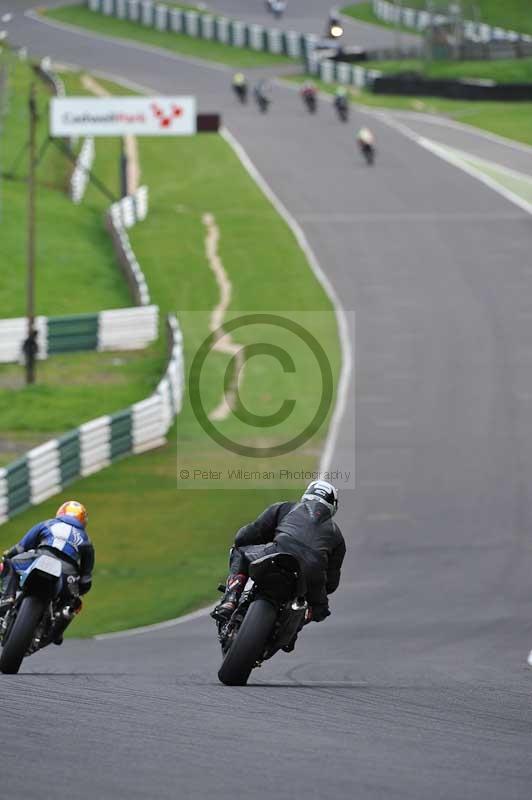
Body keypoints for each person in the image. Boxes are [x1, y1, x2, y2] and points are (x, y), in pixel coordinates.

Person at [212, 480, 346, 624]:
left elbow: (243, 537)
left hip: (279, 551)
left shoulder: (286, 507)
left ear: (307, 494)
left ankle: (230, 599)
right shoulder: (337, 535)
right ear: (333, 506)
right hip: (313, 573)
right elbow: (331, 583)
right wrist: (318, 597)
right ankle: (294, 627)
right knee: (319, 611)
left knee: (239, 551)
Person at [0, 500, 95, 643]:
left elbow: (20, 547)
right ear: (83, 521)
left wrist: (7, 555)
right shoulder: (86, 540)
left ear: (60, 512)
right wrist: (80, 588)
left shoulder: (47, 524)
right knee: (74, 602)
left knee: (10, 563)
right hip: (67, 574)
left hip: (39, 558)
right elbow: (86, 577)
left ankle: (7, 598)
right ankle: (58, 627)